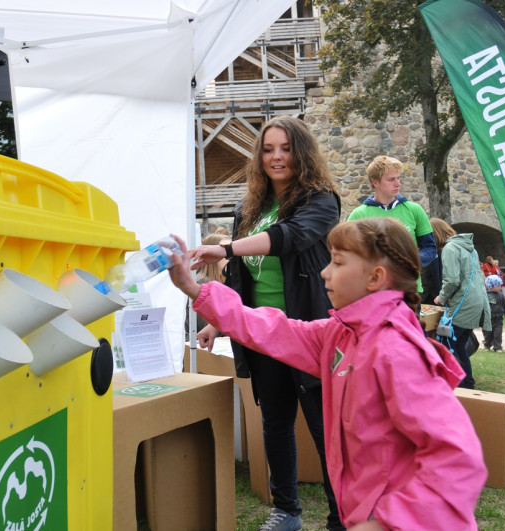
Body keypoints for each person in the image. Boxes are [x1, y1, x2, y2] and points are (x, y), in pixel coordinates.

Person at [167, 218, 488, 530]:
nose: (324, 272)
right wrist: (196, 290)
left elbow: (457, 457)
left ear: (375, 277)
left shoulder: (395, 352)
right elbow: (271, 330)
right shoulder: (341, 334)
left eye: (337, 262)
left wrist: (387, 522)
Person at [190, 115, 343, 531]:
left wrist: (226, 248)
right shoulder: (248, 207)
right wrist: (220, 322)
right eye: (268, 149)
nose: (276, 157)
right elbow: (244, 278)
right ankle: (287, 510)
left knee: (324, 429)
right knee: (275, 422)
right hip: (264, 336)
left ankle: (340, 518)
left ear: (302, 153)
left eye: (286, 148)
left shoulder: (321, 200)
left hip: (310, 334)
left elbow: (289, 238)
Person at [347, 155, 436, 294]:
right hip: (372, 293)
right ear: (375, 182)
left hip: (409, 291)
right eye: (391, 179)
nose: (397, 184)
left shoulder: (414, 210)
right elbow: (348, 254)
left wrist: (410, 261)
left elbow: (430, 248)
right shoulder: (358, 215)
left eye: (398, 178)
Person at [432, 219, 490, 389]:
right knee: (458, 344)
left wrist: (441, 298)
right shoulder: (468, 247)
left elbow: (452, 280)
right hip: (475, 301)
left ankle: (458, 383)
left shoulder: (450, 248)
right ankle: (467, 383)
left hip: (461, 304)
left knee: (446, 342)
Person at [184, 232, 227, 334]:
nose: (231, 259)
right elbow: (208, 326)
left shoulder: (221, 280)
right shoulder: (202, 283)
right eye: (226, 255)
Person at [421, 217, 456, 304]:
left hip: (436, 299)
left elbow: (430, 279)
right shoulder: (456, 248)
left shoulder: (437, 251)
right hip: (450, 298)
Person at [483, 274, 505, 352]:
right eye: (498, 286)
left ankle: (497, 347)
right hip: (488, 319)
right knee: (487, 334)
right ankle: (487, 345)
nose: (500, 287)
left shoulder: (501, 295)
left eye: (500, 286)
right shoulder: (485, 295)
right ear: (491, 286)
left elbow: (504, 305)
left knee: (498, 334)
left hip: (498, 319)